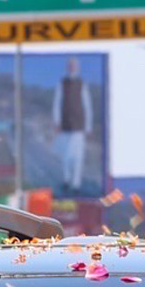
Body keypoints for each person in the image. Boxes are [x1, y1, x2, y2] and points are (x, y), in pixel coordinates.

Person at [54, 57, 93, 194]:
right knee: (65, 155)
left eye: (74, 65)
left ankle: (76, 184)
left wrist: (88, 126)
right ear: (67, 67)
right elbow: (57, 103)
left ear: (77, 67)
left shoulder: (82, 84)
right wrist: (57, 122)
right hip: (65, 124)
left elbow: (87, 105)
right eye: (70, 65)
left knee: (78, 156)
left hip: (79, 125)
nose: (72, 68)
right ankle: (66, 180)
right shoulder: (62, 83)